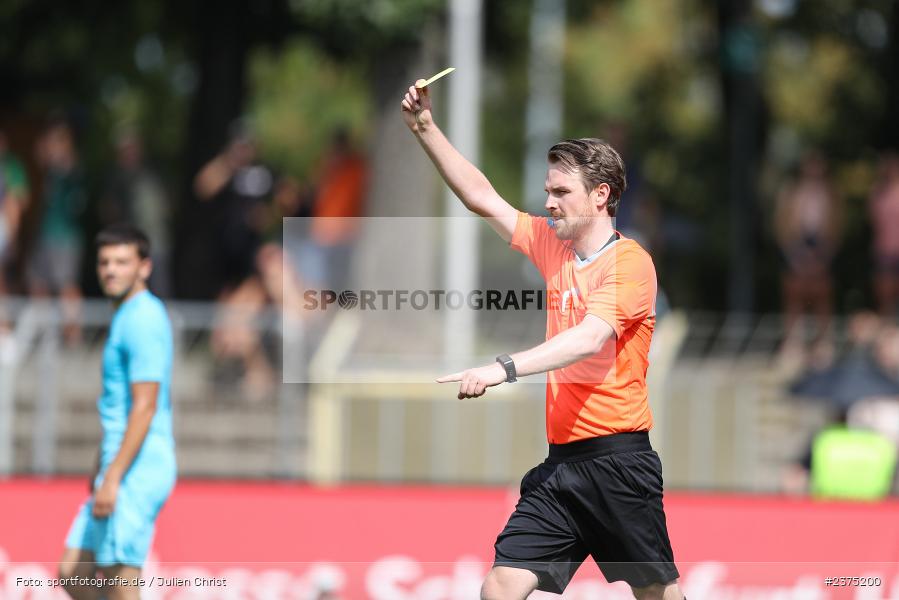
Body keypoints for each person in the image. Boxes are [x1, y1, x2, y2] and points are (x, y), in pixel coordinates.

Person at [401, 83, 684, 599]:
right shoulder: (553, 246)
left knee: (657, 595)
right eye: (548, 191)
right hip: (561, 466)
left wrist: (501, 368)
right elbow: (482, 197)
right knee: (500, 586)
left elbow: (590, 339)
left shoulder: (632, 263)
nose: (548, 203)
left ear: (601, 195)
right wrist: (426, 129)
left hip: (620, 464)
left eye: (561, 193)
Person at [58, 224, 176, 600]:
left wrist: (114, 475)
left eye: (122, 262)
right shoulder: (125, 316)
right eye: (105, 262)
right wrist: (101, 466)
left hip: (138, 466)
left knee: (120, 582)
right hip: (118, 460)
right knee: (75, 572)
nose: (111, 270)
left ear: (144, 267)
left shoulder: (143, 319)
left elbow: (145, 405)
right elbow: (120, 409)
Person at [774, 151, 841, 369]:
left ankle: (822, 344)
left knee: (821, 297)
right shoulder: (791, 192)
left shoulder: (831, 194)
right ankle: (793, 343)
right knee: (794, 296)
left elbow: (836, 228)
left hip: (821, 250)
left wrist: (824, 255)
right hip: (797, 249)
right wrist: (795, 255)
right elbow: (782, 226)